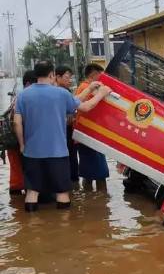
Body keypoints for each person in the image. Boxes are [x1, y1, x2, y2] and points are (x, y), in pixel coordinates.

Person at [14, 60, 110, 212]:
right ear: (52, 74)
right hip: (57, 152)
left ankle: (32, 224)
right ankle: (64, 226)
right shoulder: (61, 93)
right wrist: (101, 94)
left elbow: (17, 123)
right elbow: (84, 106)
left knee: (32, 192)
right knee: (62, 192)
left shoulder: (23, 95)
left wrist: (22, 145)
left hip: (32, 152)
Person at [75, 63, 109, 189]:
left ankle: (89, 202)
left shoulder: (83, 88)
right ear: (93, 75)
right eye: (101, 76)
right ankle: (102, 203)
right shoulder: (86, 88)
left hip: (86, 136)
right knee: (101, 175)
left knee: (88, 174)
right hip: (89, 136)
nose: (103, 79)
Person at [7, 70, 37, 195]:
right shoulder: (24, 98)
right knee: (26, 173)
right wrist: (23, 143)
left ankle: (17, 210)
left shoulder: (18, 97)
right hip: (21, 141)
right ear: (29, 83)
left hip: (13, 141)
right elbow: (18, 122)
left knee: (16, 174)